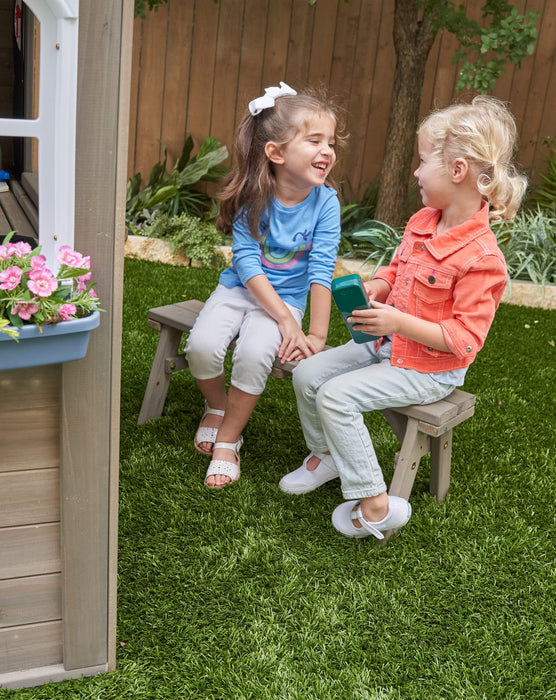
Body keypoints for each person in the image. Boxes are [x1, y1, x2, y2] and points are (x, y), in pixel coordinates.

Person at [280, 95, 527, 538]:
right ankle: (327, 457)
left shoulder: (482, 258)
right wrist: (378, 288)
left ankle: (375, 504)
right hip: (386, 348)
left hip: (430, 369)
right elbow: (397, 272)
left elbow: (464, 340)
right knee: (307, 375)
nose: (415, 171)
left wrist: (398, 324)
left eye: (422, 161)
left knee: (336, 396)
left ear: (457, 172)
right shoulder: (422, 221)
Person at [185, 82, 345, 488]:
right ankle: (218, 406)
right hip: (238, 289)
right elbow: (246, 263)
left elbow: (321, 270)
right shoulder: (253, 194)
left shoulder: (326, 203)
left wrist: (316, 333)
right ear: (275, 153)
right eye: (314, 140)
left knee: (256, 353)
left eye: (331, 141)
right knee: (201, 348)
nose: (328, 150)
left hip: (288, 299)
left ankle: (229, 439)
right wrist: (286, 324)